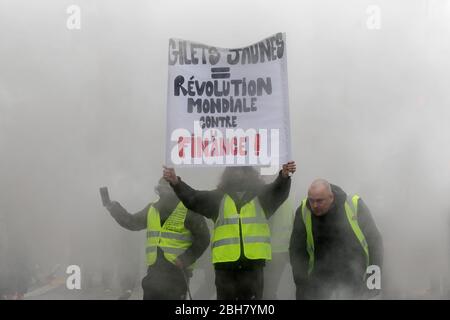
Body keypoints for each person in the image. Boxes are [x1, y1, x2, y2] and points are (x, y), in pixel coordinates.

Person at [163, 161, 296, 300]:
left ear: (250, 172)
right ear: (228, 173)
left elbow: (278, 191)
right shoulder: (218, 198)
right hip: (225, 268)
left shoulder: (262, 198)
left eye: (242, 168)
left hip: (253, 267)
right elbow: (193, 198)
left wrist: (284, 176)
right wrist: (176, 182)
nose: (238, 173)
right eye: (235, 169)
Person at [105, 178, 210, 300]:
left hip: (178, 272)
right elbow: (132, 222)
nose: (165, 194)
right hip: (154, 271)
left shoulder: (189, 210)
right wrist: (113, 208)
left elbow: (204, 238)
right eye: (162, 190)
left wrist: (186, 258)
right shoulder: (152, 208)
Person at [289, 179, 383, 299]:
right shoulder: (303, 211)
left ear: (331, 197)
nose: (314, 205)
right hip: (318, 283)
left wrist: (373, 282)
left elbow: (375, 242)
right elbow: (297, 251)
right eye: (311, 200)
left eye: (319, 201)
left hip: (355, 280)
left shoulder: (353, 205)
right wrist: (302, 287)